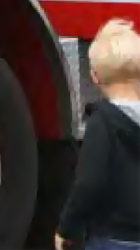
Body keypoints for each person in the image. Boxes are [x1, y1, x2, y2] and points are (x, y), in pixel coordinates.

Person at [54, 18, 140, 250]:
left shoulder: (102, 122)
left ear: (95, 76)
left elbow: (89, 183)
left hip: (111, 238)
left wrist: (67, 228)